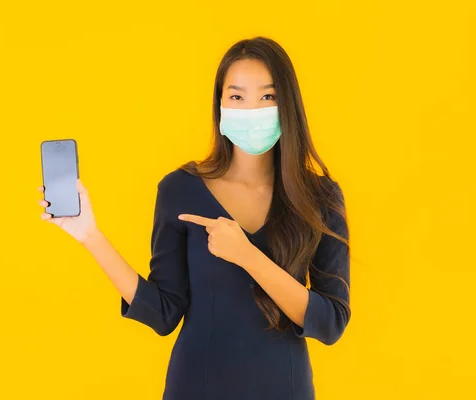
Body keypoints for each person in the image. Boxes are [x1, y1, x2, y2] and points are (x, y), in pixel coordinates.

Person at [37, 36, 351, 400]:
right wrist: (90, 235)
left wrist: (247, 256)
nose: (251, 109)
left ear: (287, 105)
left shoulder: (319, 197)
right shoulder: (179, 189)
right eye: (237, 96)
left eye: (267, 96)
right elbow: (163, 313)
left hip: (284, 389)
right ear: (220, 106)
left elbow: (330, 323)